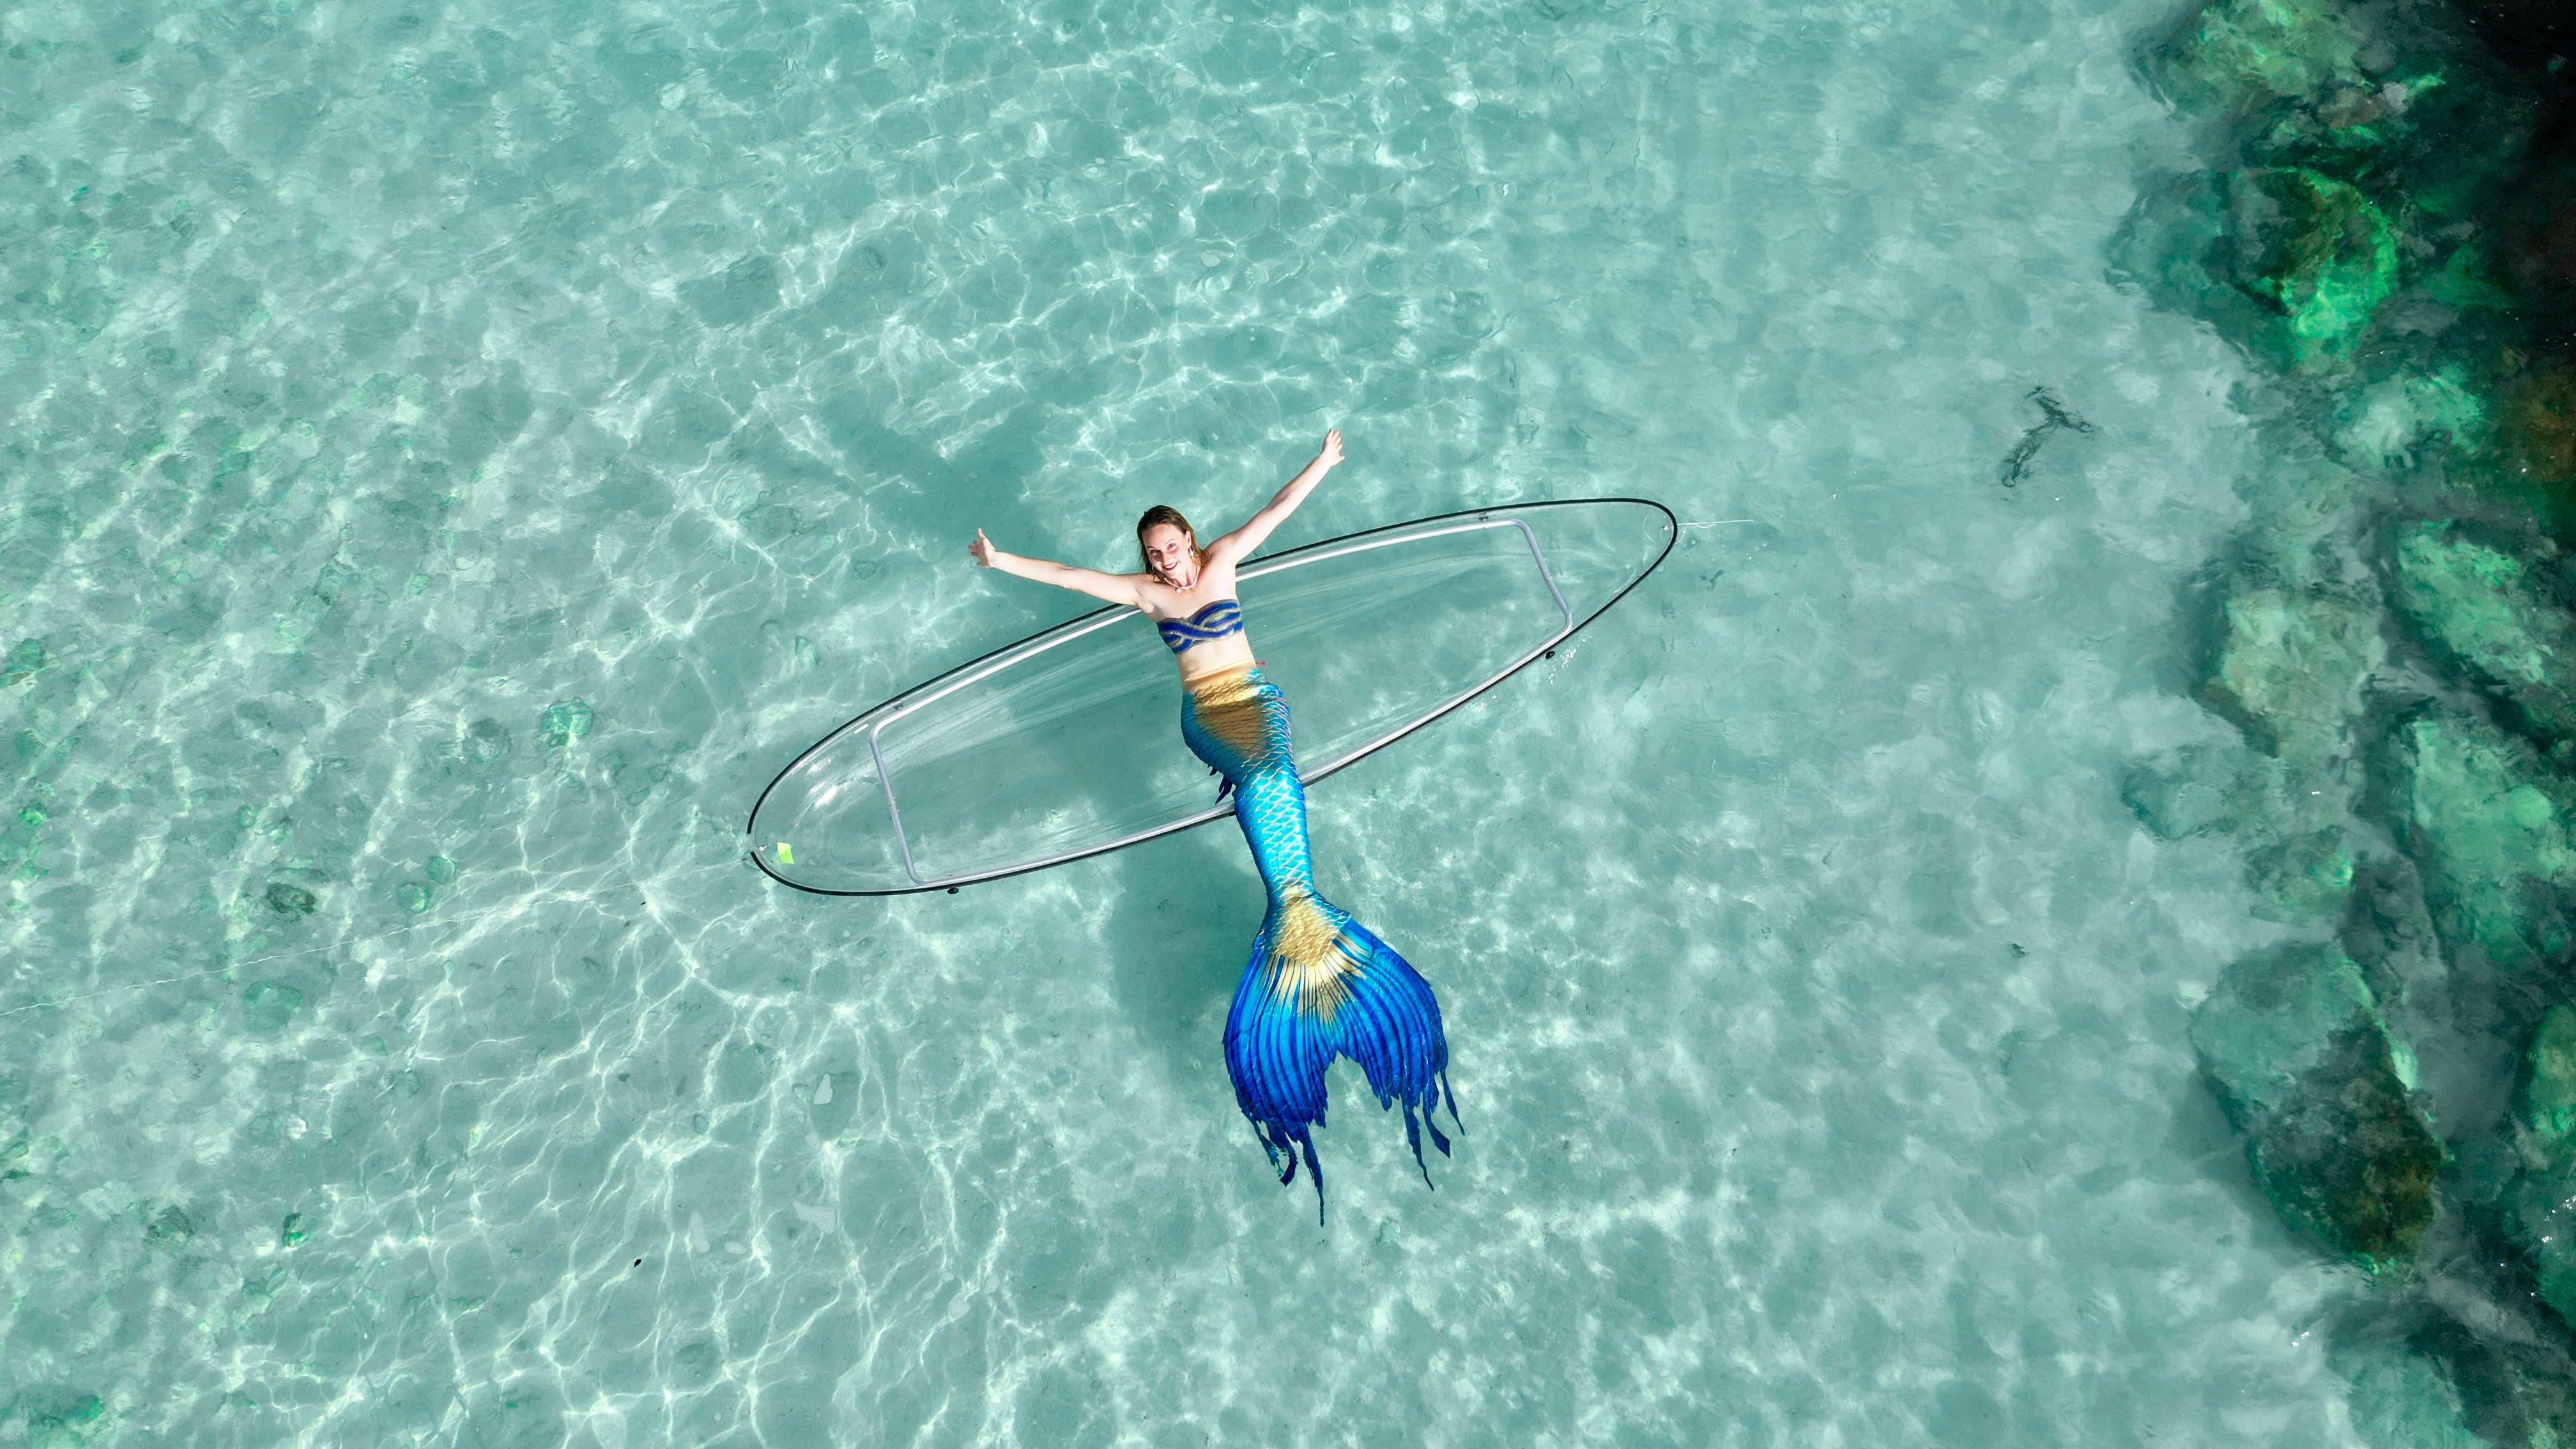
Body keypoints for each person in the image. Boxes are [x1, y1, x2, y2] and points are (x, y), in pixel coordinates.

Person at [968, 429, 1457, 1223]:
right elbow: (1068, 575)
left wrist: (1323, 464)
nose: (1166, 562)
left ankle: (1300, 917)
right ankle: (1298, 913)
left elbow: (1276, 511)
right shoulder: (1147, 595)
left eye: (1171, 547)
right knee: (1263, 776)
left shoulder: (1225, 559)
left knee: (1274, 772)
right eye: (1153, 555)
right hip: (1206, 716)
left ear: (1190, 539)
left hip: (1256, 699)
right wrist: (1000, 561)